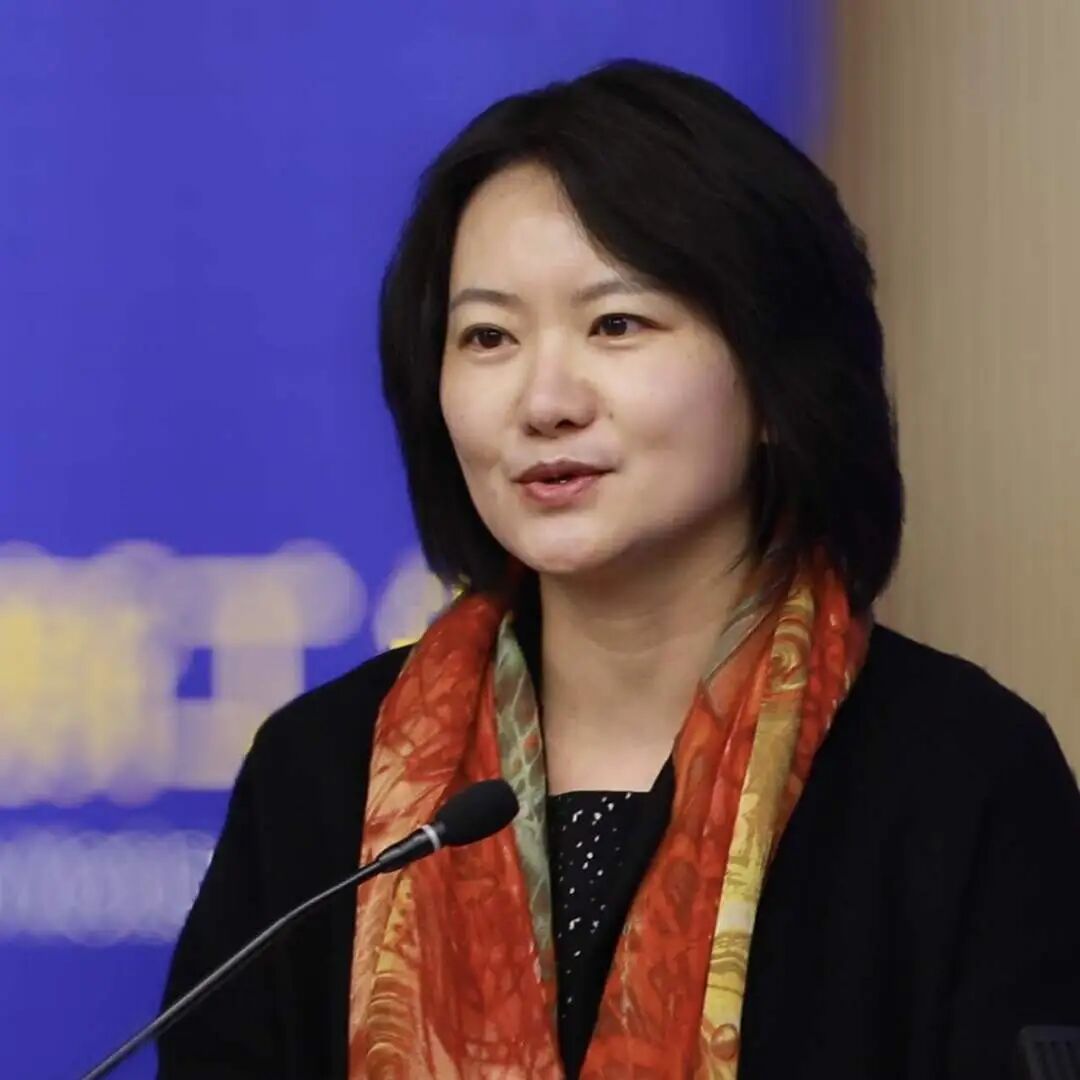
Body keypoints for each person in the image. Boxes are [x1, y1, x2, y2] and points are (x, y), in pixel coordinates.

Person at [159, 59, 1080, 1079]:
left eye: (616, 324)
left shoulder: (957, 776)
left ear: (777, 381)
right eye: (488, 336)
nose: (545, 401)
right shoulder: (322, 779)